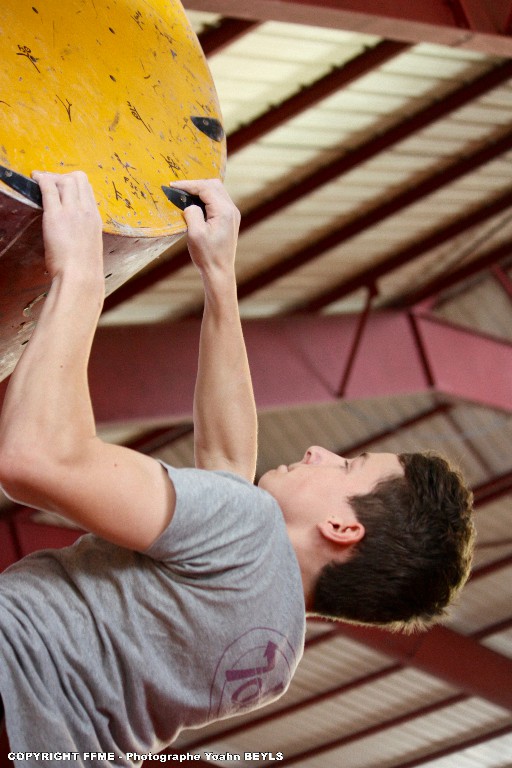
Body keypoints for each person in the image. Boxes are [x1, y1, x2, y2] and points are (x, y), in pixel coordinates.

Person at [0, 172, 474, 766]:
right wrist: (219, 275)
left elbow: (35, 457)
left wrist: (81, 275)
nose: (319, 452)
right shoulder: (273, 658)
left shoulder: (245, 530)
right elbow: (227, 470)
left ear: (342, 528)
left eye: (348, 465)